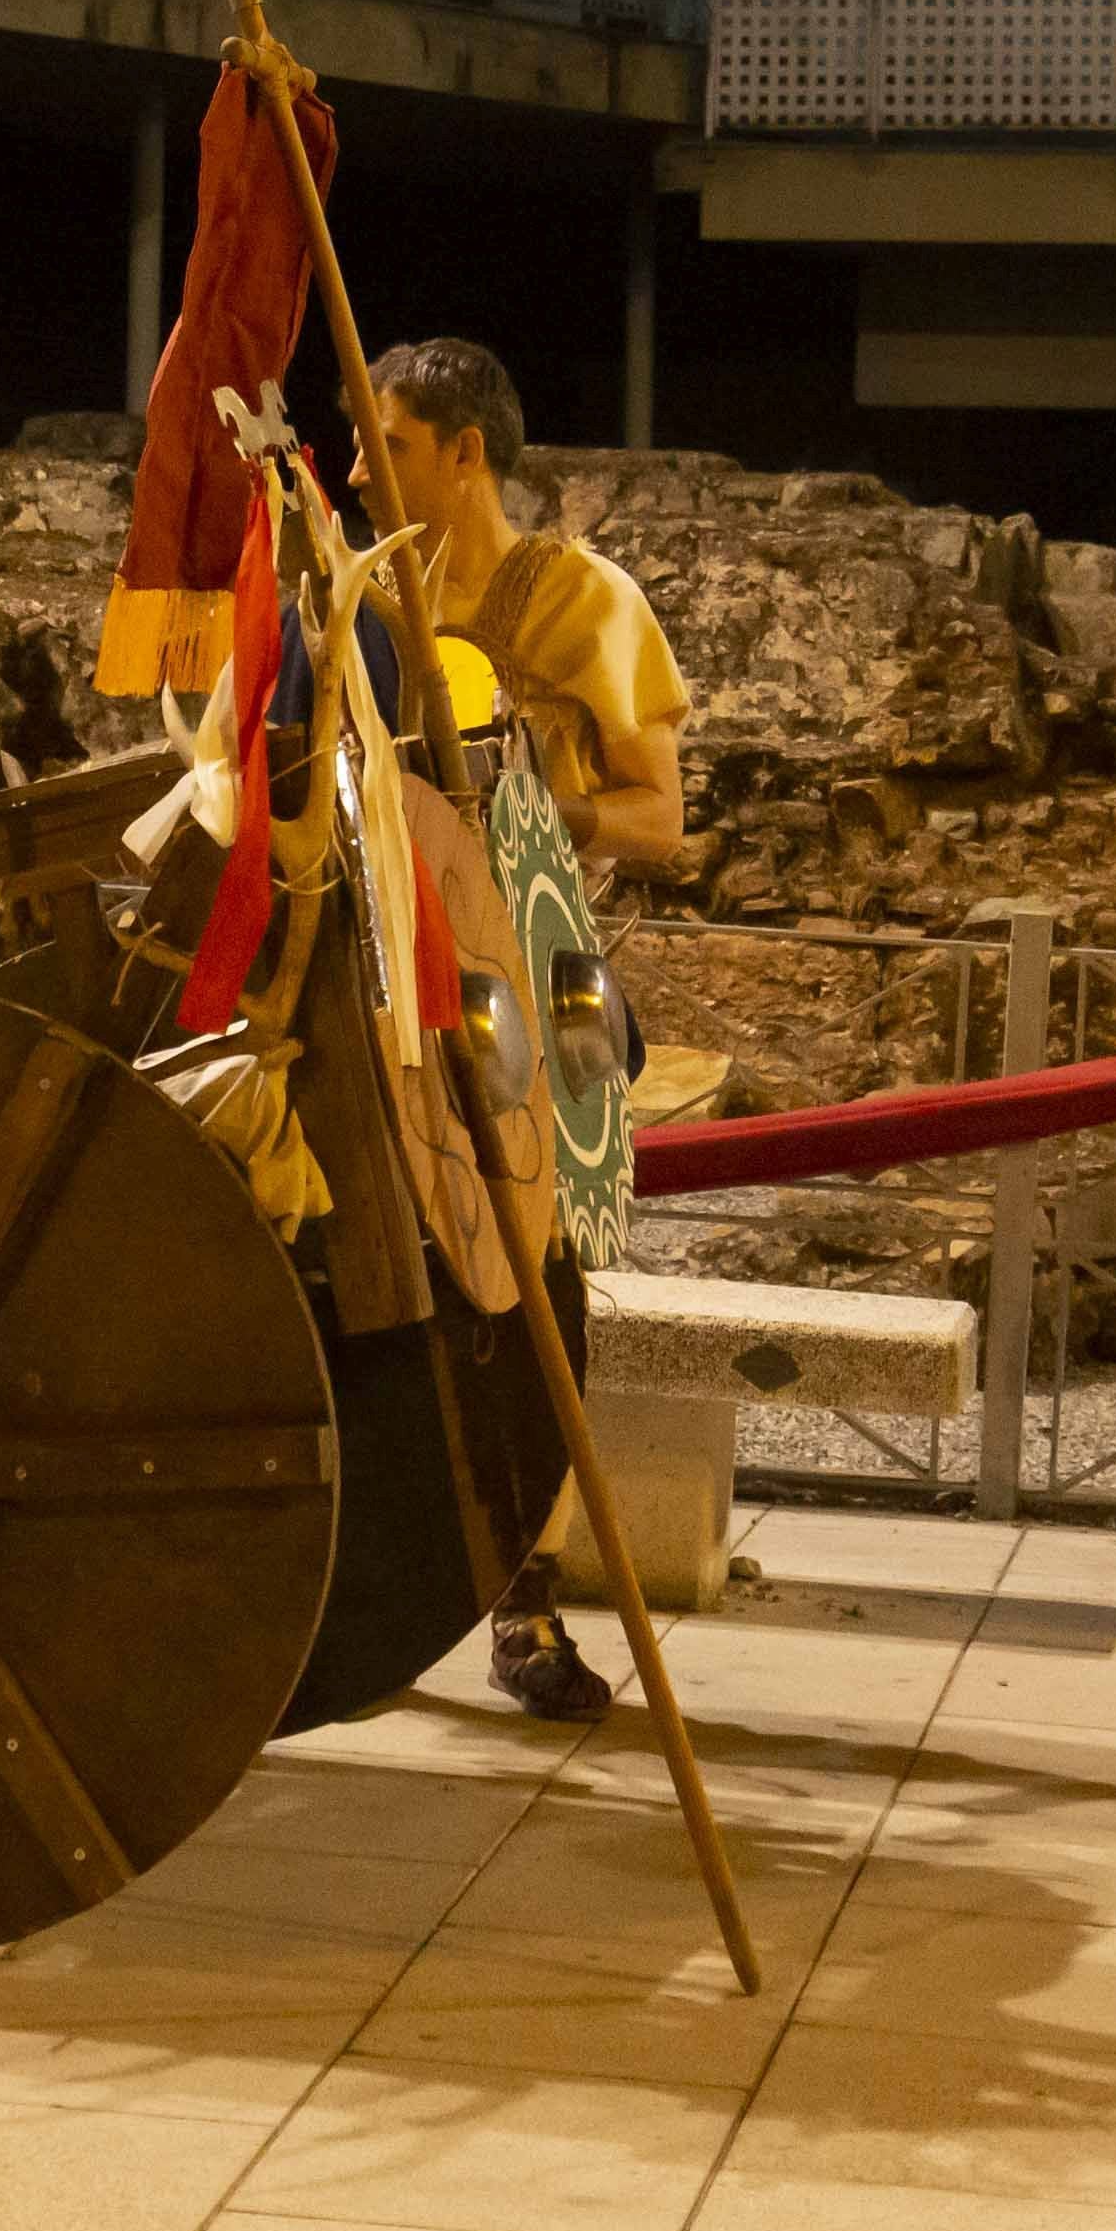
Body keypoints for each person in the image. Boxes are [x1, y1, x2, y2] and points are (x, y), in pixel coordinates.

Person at [361, 335, 689, 1719]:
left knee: (530, 1293)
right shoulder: (363, 603)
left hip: (535, 985)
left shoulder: (584, 604)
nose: (366, 467)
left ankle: (528, 1607)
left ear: (462, 452)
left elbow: (664, 824)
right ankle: (376, 1595)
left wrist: (528, 811)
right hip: (385, 975)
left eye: (389, 443)